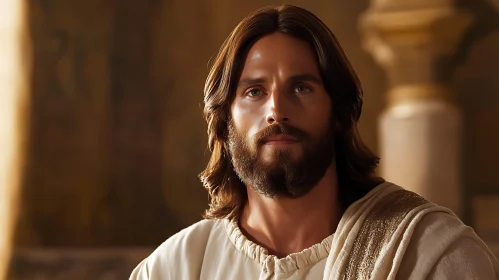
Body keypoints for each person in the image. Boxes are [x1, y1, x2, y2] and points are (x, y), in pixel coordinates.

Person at [130, 5, 499, 280]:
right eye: (255, 91)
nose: (276, 110)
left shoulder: (428, 255)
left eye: (301, 87)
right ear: (225, 122)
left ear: (338, 113)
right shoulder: (173, 268)